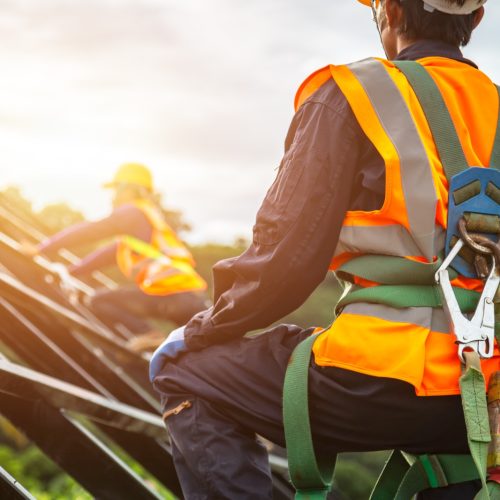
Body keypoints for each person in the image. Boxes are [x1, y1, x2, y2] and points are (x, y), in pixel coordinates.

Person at [150, 1, 499, 498]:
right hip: (488, 395)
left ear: (392, 13)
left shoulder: (356, 94)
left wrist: (208, 327)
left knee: (181, 372)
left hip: (379, 376)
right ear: (477, 19)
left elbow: (284, 260)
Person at [27, 163, 208, 351]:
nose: (113, 196)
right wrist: (70, 272)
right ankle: (147, 342)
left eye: (115, 189)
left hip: (170, 295)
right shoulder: (144, 226)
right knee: (194, 355)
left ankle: (147, 333)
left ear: (127, 188)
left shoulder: (132, 212)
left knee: (100, 300)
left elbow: (89, 231)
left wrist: (41, 248)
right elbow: (102, 257)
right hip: (192, 300)